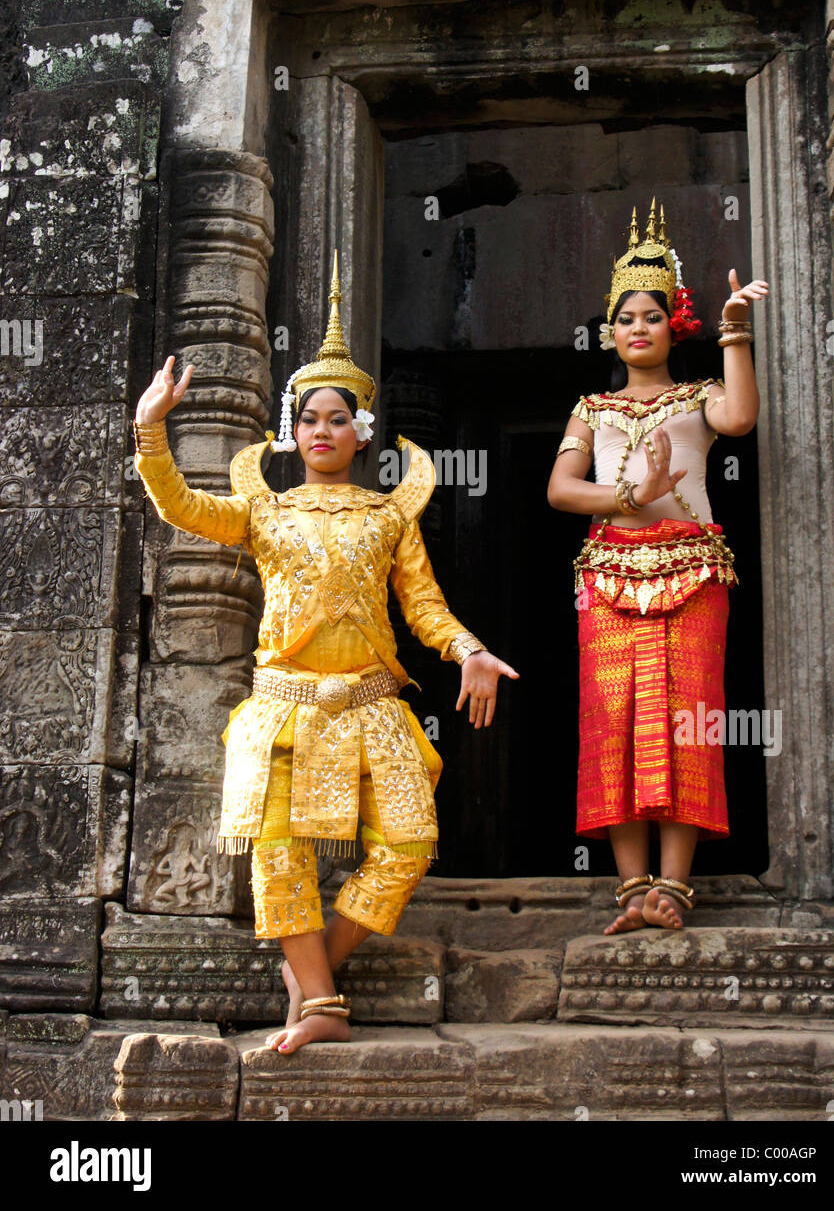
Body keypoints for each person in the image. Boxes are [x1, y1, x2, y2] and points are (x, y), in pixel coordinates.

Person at [133, 253, 518, 1051]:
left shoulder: (390, 516)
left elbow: (425, 608)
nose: (321, 432)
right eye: (308, 420)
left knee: (408, 847)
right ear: (291, 430)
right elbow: (179, 507)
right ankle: (321, 1003)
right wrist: (151, 430)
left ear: (362, 431)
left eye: (337, 419)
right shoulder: (263, 512)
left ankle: (309, 978)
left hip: (373, 706)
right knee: (278, 852)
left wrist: (470, 650)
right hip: (285, 708)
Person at [548, 201, 766, 933]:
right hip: (608, 575)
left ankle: (673, 888)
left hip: (693, 572)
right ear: (609, 331)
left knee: (685, 720)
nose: (637, 329)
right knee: (612, 719)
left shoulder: (699, 398)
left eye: (651, 316)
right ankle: (630, 886)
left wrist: (735, 331)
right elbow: (559, 491)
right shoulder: (592, 408)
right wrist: (632, 493)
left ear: (677, 324)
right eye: (624, 319)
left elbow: (741, 418)